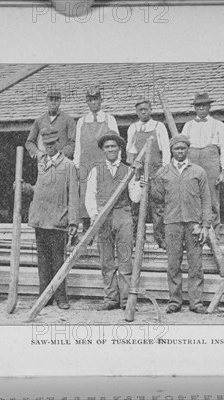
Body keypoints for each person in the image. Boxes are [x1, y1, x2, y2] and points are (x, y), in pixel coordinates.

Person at [151, 134, 212, 314]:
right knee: (173, 264)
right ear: (171, 150)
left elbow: (206, 200)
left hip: (193, 224)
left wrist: (206, 225)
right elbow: (157, 202)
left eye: (183, 148)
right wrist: (159, 228)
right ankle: (174, 301)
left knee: (195, 264)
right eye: (177, 148)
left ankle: (196, 302)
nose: (180, 151)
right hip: (172, 223)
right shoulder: (163, 173)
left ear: (188, 149)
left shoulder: (198, 172)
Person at [19, 127, 79, 309]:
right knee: (42, 261)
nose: (50, 147)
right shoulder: (41, 163)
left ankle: (61, 298)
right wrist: (24, 187)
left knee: (58, 261)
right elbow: (40, 190)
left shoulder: (68, 165)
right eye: (46, 145)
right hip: (40, 219)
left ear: (58, 144)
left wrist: (74, 222)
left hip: (57, 220)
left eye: (52, 144)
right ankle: (44, 296)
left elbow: (74, 195)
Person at [85, 133, 141, 311]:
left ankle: (126, 301)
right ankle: (111, 299)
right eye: (107, 147)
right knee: (106, 261)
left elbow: (135, 198)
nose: (110, 149)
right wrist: (94, 215)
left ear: (119, 149)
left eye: (113, 147)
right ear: (103, 150)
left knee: (125, 259)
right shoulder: (96, 170)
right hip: (103, 217)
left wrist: (139, 181)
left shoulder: (128, 170)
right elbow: (90, 196)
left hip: (123, 216)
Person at [181, 92, 224, 234]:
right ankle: (194, 231)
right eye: (198, 106)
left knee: (212, 197)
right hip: (192, 163)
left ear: (209, 107)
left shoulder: (218, 125)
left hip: (211, 163)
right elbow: (181, 149)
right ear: (195, 108)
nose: (201, 108)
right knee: (192, 195)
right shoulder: (188, 126)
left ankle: (213, 233)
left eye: (204, 105)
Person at [126, 96, 170, 249]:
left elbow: (166, 150)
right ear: (136, 112)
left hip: (156, 172)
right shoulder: (133, 128)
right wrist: (132, 174)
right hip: (139, 174)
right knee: (136, 207)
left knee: (158, 207)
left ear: (151, 110)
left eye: (146, 109)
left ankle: (160, 238)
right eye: (140, 110)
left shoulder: (159, 126)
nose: (143, 112)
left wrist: (163, 171)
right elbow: (130, 151)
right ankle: (137, 238)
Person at [74, 85, 120, 231]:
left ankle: (105, 229)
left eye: (96, 99)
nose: (94, 103)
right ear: (87, 102)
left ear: (101, 100)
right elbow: (78, 146)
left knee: (104, 193)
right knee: (86, 196)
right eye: (90, 100)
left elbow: (117, 143)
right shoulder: (81, 121)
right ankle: (87, 230)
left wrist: (116, 164)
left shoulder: (109, 119)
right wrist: (77, 164)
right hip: (85, 164)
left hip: (103, 163)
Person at [25, 89, 76, 160]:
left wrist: (60, 155)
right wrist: (38, 153)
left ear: (60, 101)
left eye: (56, 100)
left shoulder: (68, 120)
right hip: (44, 163)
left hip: (62, 162)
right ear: (46, 101)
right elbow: (29, 142)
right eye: (51, 100)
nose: (53, 103)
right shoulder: (39, 120)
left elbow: (72, 143)